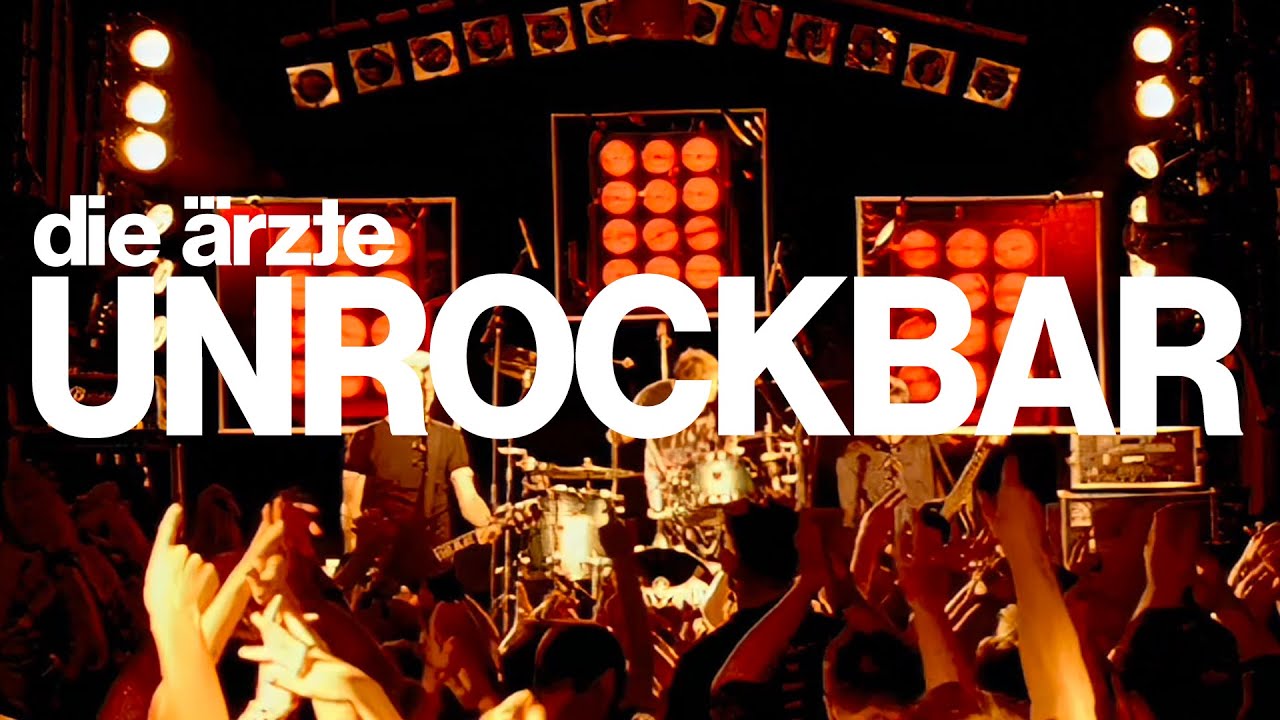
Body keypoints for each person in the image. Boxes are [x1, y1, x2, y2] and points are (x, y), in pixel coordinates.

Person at [343, 350, 493, 589]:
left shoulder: (449, 438)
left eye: (429, 389)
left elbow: (468, 496)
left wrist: (488, 523)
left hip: (435, 563)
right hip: (383, 564)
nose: (425, 396)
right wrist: (355, 555)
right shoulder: (366, 438)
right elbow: (351, 506)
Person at [611, 348, 735, 553]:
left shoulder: (716, 408)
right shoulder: (657, 395)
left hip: (711, 509)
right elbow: (618, 437)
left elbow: (730, 450)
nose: (718, 387)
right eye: (715, 381)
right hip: (669, 509)